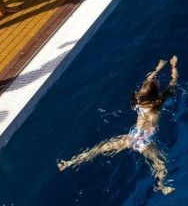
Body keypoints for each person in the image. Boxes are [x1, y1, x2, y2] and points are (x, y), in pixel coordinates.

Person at [59, 56, 179, 194]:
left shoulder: (139, 101)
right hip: (146, 142)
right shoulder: (157, 105)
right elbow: (174, 81)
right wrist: (173, 66)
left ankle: (70, 162)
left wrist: (157, 69)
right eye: (156, 82)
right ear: (155, 94)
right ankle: (162, 186)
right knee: (161, 165)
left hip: (132, 136)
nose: (156, 80)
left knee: (101, 148)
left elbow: (147, 82)